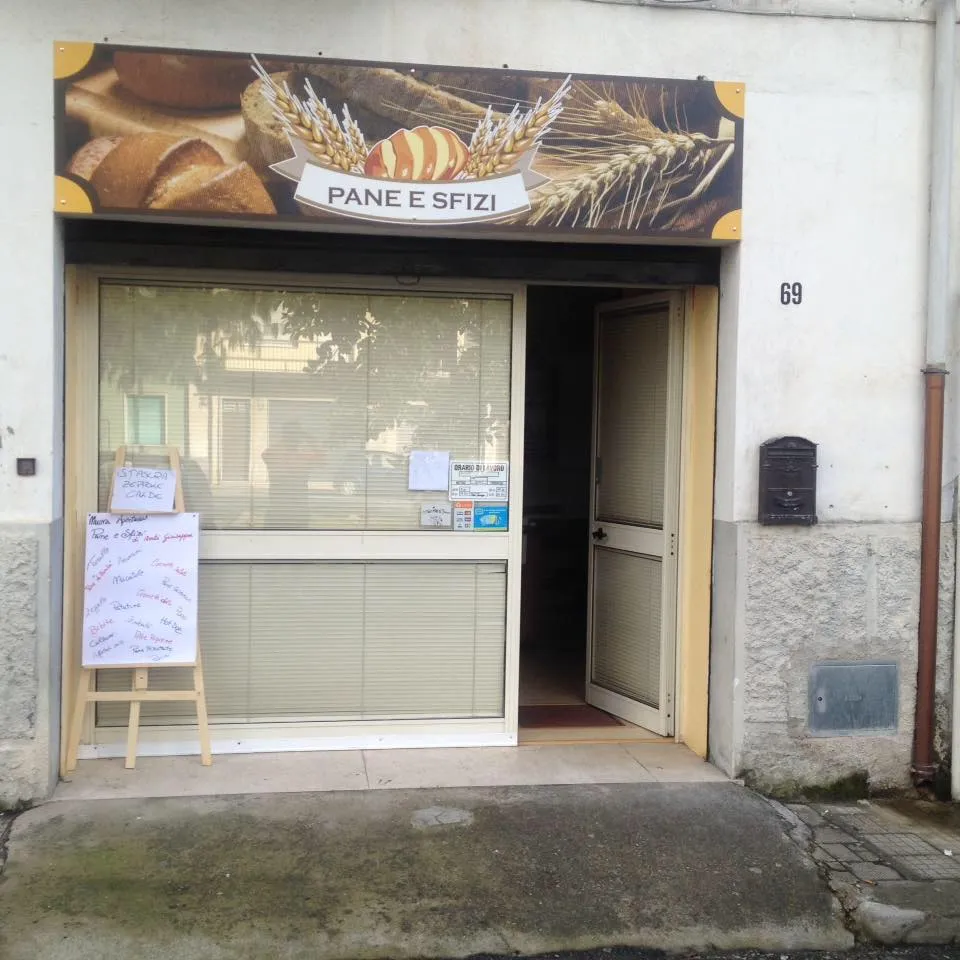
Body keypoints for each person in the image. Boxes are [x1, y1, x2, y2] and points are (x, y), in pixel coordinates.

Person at [261, 421, 323, 527]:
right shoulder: (303, 457)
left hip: (290, 511)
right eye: (293, 435)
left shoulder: (301, 456)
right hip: (282, 512)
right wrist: (308, 437)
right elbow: (321, 458)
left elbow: (322, 460)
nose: (295, 439)